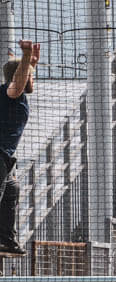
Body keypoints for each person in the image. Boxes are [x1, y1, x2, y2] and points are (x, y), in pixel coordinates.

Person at [0, 40, 40, 257]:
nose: (32, 80)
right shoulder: (11, 93)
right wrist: (25, 56)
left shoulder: (12, 95)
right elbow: (18, 82)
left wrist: (31, 63)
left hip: (6, 157)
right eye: (30, 76)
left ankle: (5, 240)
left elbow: (22, 79)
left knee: (11, 189)